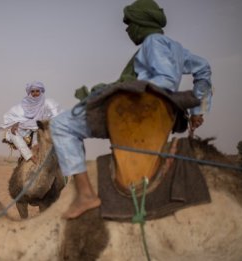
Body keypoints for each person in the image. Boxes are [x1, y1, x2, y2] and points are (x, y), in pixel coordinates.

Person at [50, 0, 213, 219]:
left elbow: (163, 80)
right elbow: (204, 69)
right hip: (160, 115)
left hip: (137, 113)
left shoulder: (152, 42)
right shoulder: (177, 49)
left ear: (140, 23)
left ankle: (85, 195)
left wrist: (123, 90)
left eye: (129, 23)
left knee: (61, 124)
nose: (127, 29)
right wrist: (198, 110)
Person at [0, 81, 61, 164]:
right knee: (11, 132)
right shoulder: (25, 103)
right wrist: (15, 123)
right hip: (26, 127)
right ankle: (29, 156)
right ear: (29, 92)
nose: (35, 93)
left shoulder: (47, 103)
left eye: (37, 91)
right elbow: (16, 115)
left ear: (41, 91)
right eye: (32, 91)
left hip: (41, 128)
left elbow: (55, 115)